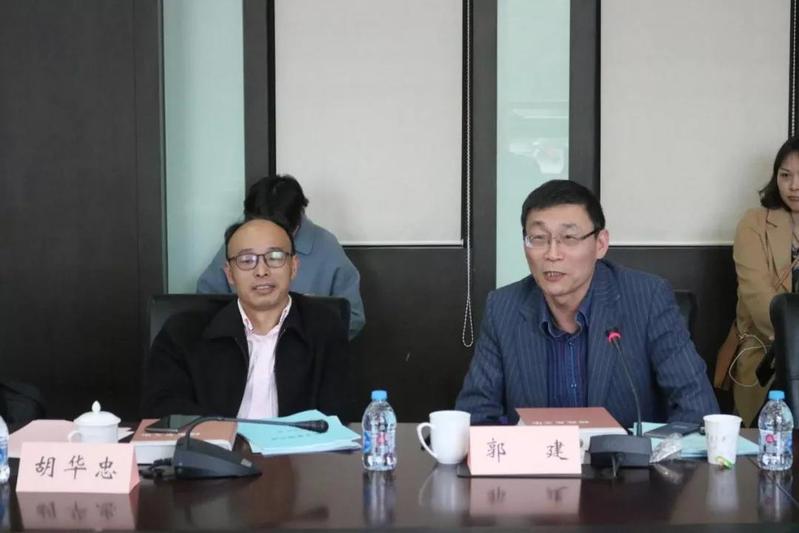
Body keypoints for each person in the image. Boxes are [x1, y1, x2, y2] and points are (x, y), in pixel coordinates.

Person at [455, 180, 719, 428]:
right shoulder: (503, 308)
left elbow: (697, 410)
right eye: (538, 238)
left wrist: (646, 453)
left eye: (569, 238)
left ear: (600, 244)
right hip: (536, 462)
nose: (552, 254)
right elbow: (475, 416)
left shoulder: (647, 299)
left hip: (627, 462)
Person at [142, 217, 351, 419]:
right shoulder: (183, 332)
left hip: (297, 444)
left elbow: (337, 415)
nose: (261, 271)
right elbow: (163, 410)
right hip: (214, 443)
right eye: (246, 260)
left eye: (275, 257)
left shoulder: (325, 328)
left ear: (293, 267)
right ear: (229, 274)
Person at [196, 175, 365, 339]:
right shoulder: (239, 242)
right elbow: (203, 305)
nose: (261, 270)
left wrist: (311, 328)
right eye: (248, 260)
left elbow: (353, 317)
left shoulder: (326, 247)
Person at [715, 136, 799, 426]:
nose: (794, 186)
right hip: (765, 353)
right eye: (785, 176)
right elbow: (756, 295)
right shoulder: (754, 223)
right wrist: (793, 339)